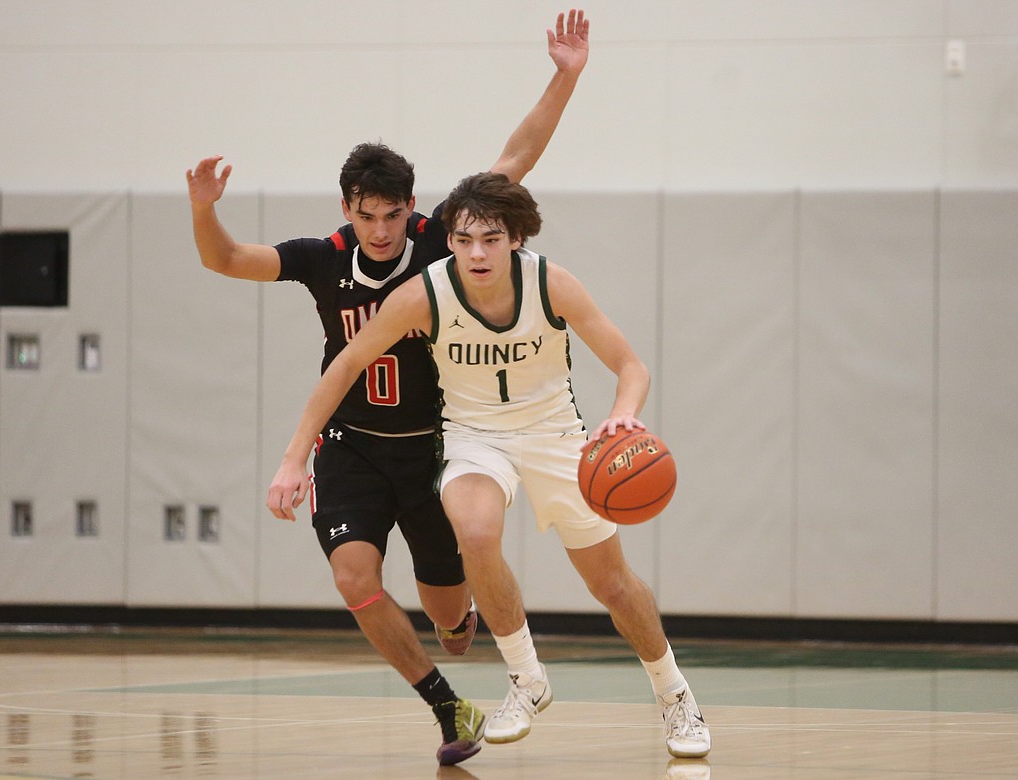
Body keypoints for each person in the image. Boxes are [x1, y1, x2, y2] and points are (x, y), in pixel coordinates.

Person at [187, 11, 590, 767]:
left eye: (393, 215)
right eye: (366, 215)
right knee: (354, 578)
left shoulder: (445, 239)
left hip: (437, 450)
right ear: (347, 208)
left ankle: (459, 625)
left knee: (449, 614)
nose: (380, 230)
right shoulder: (320, 258)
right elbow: (227, 260)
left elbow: (517, 156)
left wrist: (564, 75)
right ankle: (446, 705)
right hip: (351, 448)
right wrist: (204, 209)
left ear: (412, 210)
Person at [268, 172, 712, 760]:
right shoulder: (423, 294)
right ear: (448, 239)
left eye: (492, 239)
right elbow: (346, 364)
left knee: (612, 584)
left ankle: (674, 693)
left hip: (555, 434)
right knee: (475, 533)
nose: (477, 253)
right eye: (464, 239)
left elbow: (631, 366)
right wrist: (294, 457)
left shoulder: (551, 283)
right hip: (474, 438)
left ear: (516, 239)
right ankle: (526, 679)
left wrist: (623, 416)